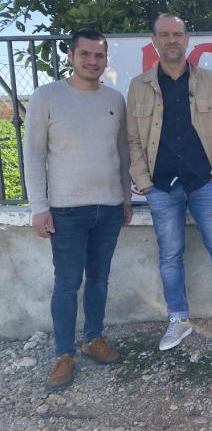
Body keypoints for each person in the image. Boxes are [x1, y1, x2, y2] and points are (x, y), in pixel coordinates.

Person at [126, 13, 212, 351]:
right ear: (154, 41)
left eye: (177, 34)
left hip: (204, 183)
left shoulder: (209, 81)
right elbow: (133, 140)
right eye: (165, 35)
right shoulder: (139, 86)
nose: (172, 40)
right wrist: (143, 181)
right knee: (170, 256)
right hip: (161, 186)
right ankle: (178, 320)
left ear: (187, 39)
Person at [24, 29, 133, 392]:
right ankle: (63, 355)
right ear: (70, 56)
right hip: (66, 211)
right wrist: (39, 208)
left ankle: (94, 338)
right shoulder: (46, 97)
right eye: (84, 54)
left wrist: (125, 198)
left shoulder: (115, 99)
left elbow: (122, 153)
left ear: (106, 60)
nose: (92, 61)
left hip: (109, 207)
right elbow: (33, 156)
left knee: (99, 278)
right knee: (67, 284)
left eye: (99, 55)